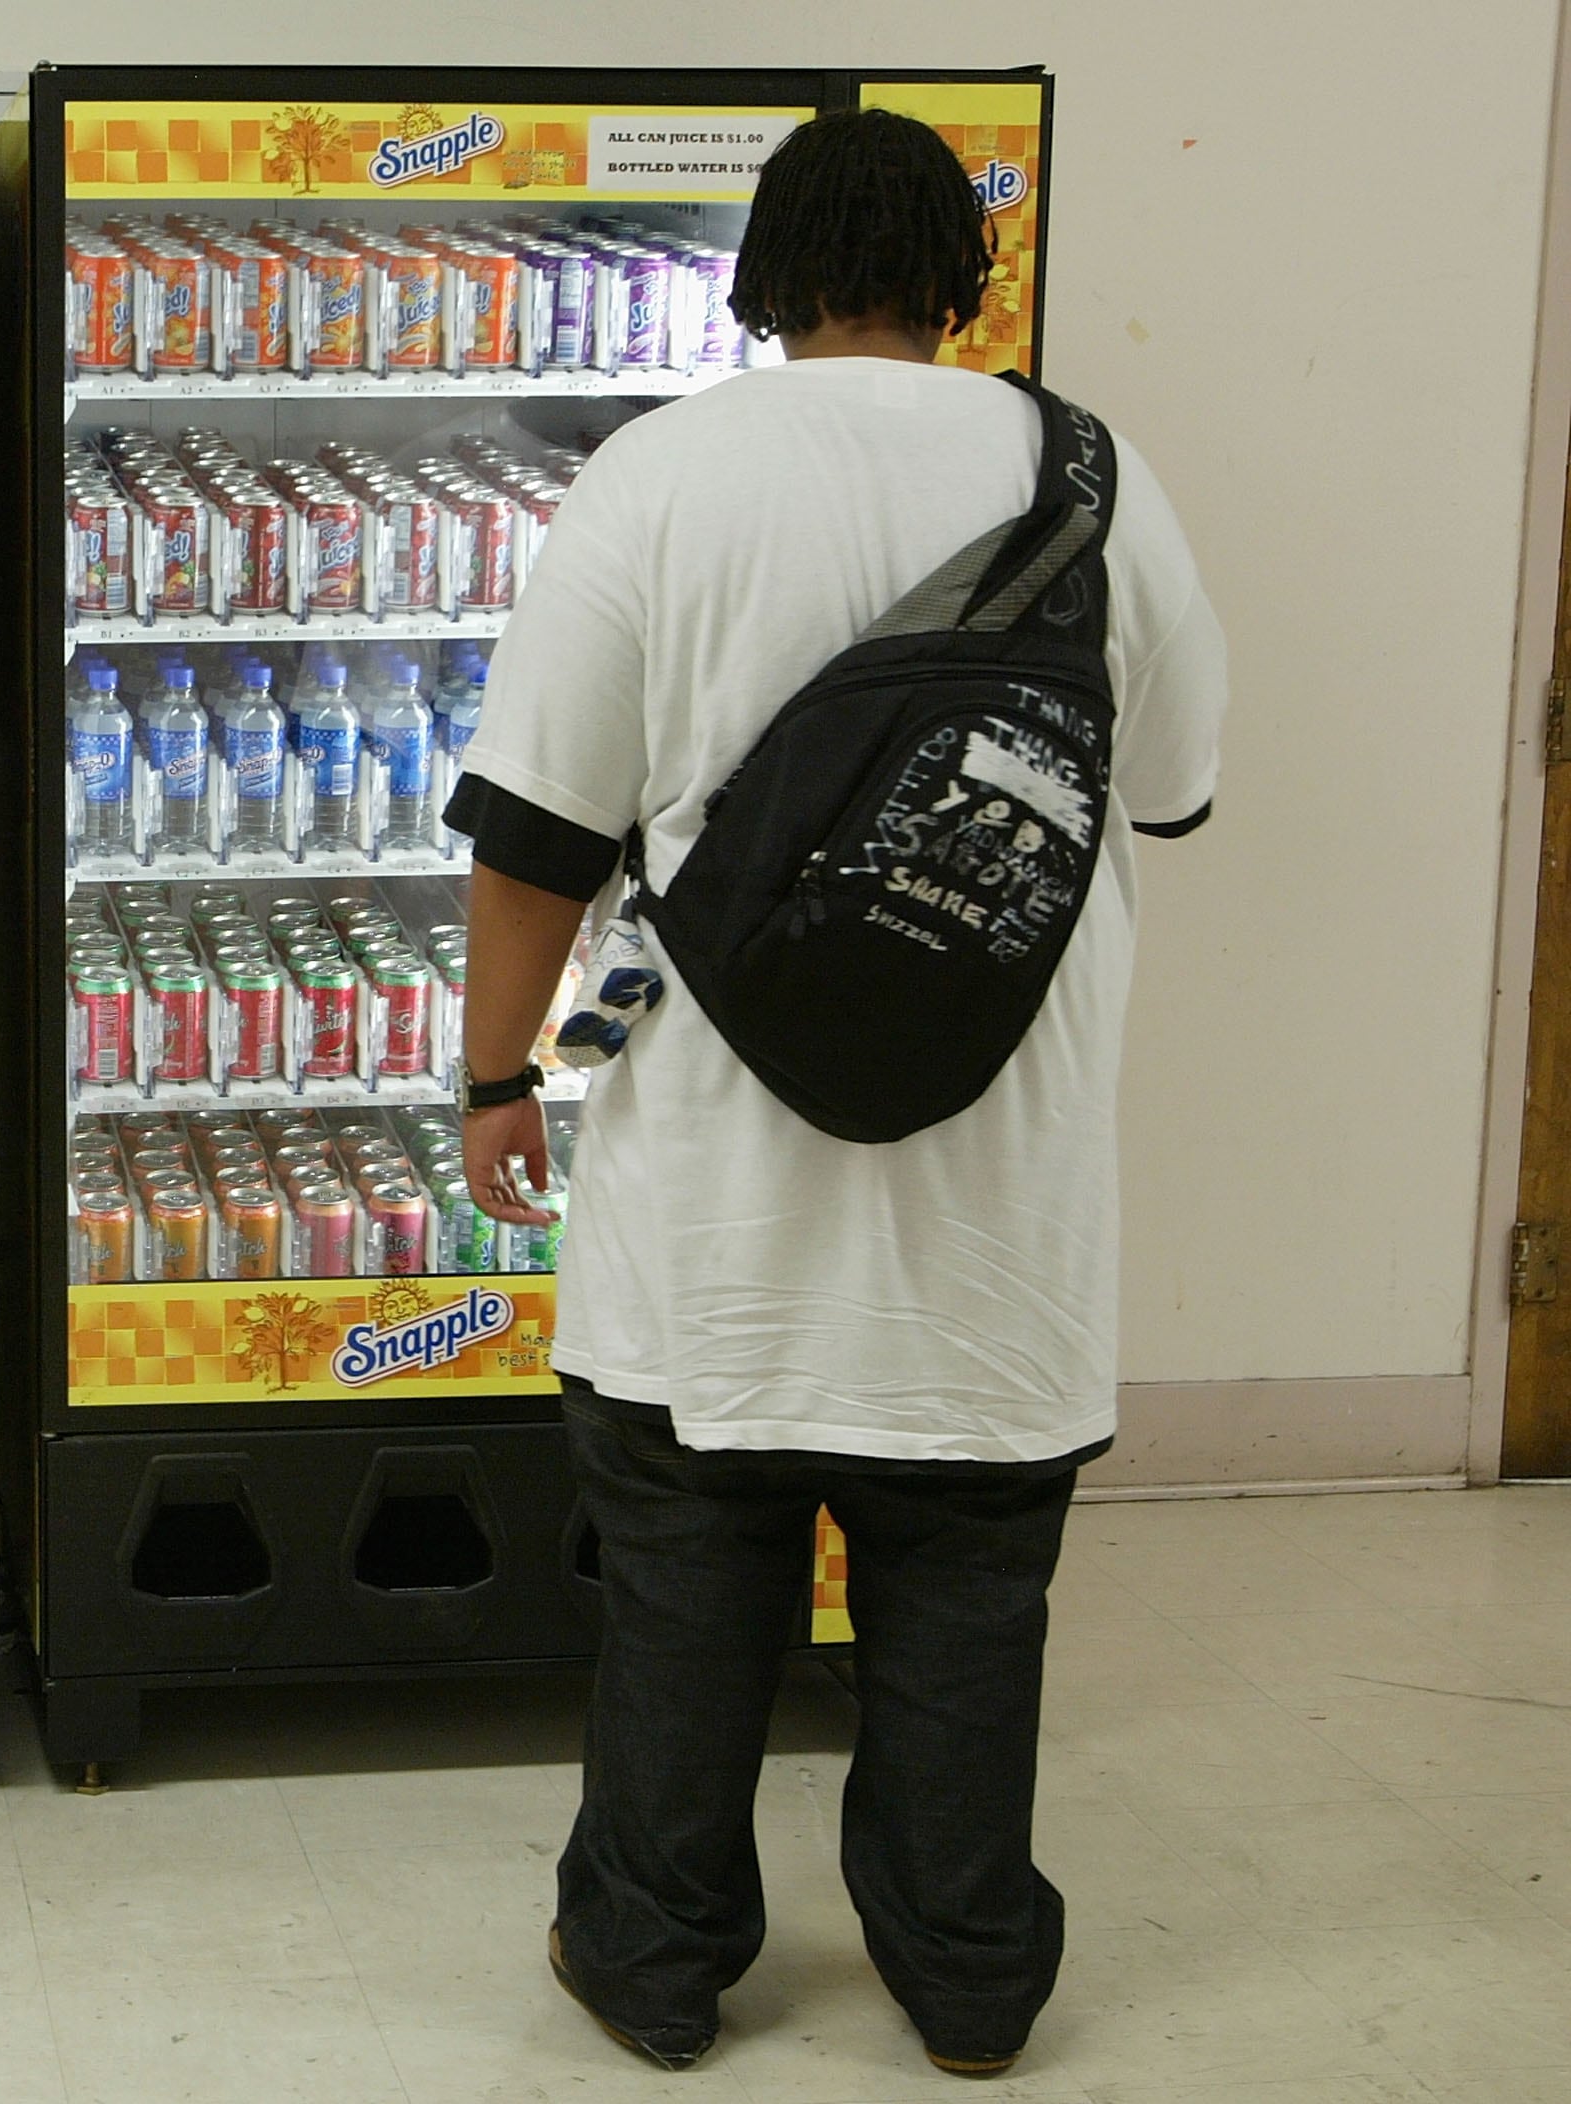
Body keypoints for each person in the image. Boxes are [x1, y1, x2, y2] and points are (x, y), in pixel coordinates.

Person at [439, 108, 1226, 2079]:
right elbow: (1177, 787)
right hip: (999, 1191)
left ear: (765, 267)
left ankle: (652, 1956)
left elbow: (537, 831)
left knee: (691, 1587)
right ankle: (967, 1977)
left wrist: (496, 1075)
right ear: (961, 272)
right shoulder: (1098, 481)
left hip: (711, 1174)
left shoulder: (663, 475)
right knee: (964, 1599)